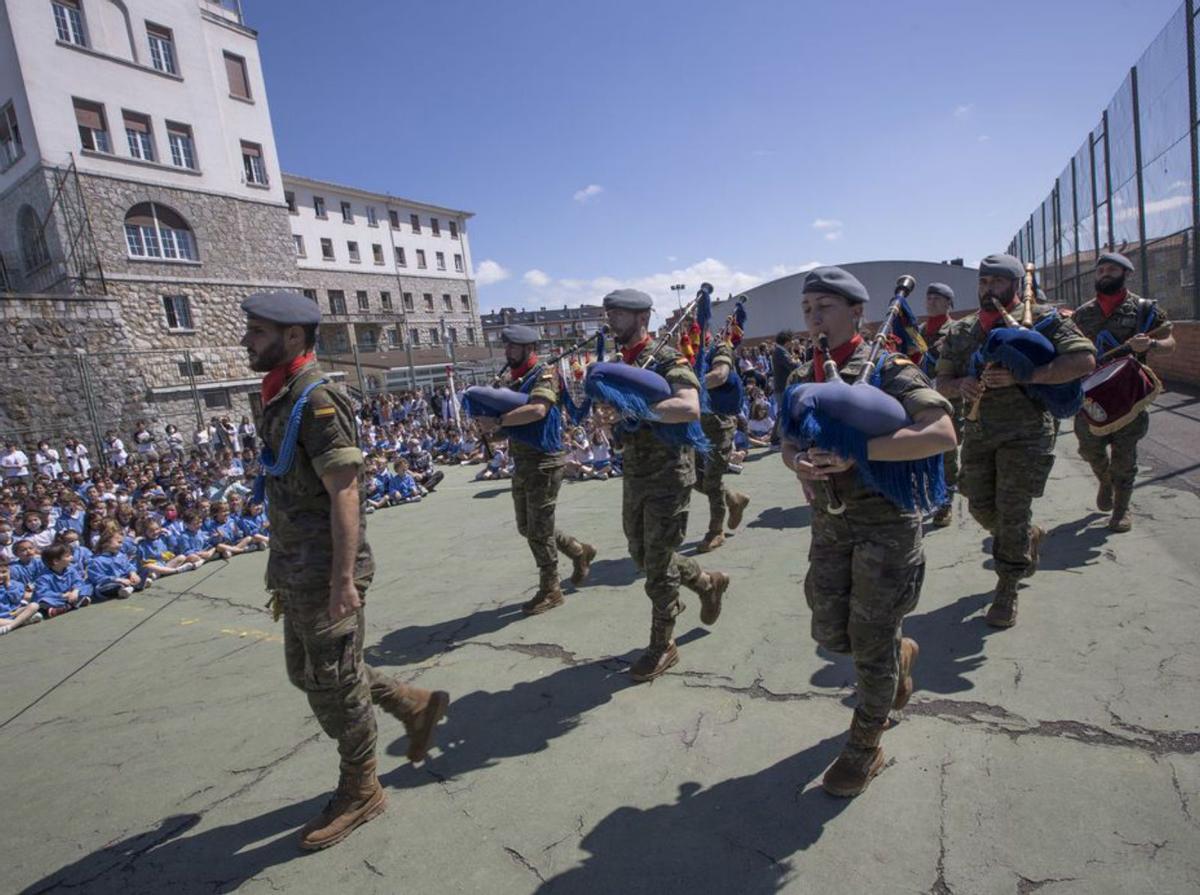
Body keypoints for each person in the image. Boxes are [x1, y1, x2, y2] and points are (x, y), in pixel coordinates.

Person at [241, 290, 449, 851]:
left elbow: (346, 493)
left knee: (336, 682)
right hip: (295, 565)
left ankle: (362, 788)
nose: (246, 341)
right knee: (312, 675)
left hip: (327, 569)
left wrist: (341, 582)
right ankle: (413, 703)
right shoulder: (281, 396)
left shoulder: (318, 400)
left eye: (256, 333)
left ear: (290, 337)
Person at [781, 266, 956, 797]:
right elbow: (787, 441)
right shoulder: (798, 378)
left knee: (870, 640)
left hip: (886, 526)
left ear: (857, 313)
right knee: (831, 632)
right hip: (831, 524)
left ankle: (865, 747)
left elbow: (942, 433)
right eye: (808, 308)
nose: (814, 317)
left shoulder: (887, 367)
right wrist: (799, 465)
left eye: (825, 307)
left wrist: (860, 451)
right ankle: (900, 658)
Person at [936, 254, 1095, 628]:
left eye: (996, 282)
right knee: (978, 506)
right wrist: (962, 385)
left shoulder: (1044, 320)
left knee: (1012, 510)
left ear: (1013, 284)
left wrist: (1029, 375)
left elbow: (1085, 360)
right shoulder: (962, 332)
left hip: (1027, 435)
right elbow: (941, 382)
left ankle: (1006, 590)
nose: (988, 289)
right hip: (979, 432)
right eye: (983, 282)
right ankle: (1026, 537)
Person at [596, 289, 730, 681]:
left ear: (641, 319)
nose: (610, 322)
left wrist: (634, 409)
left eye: (617, 315)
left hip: (669, 475)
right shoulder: (626, 363)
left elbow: (688, 406)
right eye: (608, 314)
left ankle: (662, 644)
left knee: (657, 566)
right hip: (636, 473)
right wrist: (612, 420)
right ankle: (706, 582)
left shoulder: (667, 359)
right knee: (642, 556)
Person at [484, 325, 597, 614]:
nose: (507, 352)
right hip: (523, 461)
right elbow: (509, 423)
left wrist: (501, 422)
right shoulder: (516, 380)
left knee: (539, 529)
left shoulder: (545, 375)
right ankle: (578, 550)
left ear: (528, 348)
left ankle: (551, 589)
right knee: (528, 526)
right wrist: (489, 427)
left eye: (512, 347)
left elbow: (537, 410)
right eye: (506, 347)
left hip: (545, 462)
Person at [1071, 252, 1175, 532]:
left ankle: (1121, 509)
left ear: (1125, 274)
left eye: (1111, 270)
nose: (1105, 273)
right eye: (1101, 269)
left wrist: (1151, 344)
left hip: (1130, 394)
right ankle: (1105, 479)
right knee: (1088, 447)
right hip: (1092, 393)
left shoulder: (1144, 309)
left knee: (1125, 454)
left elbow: (1170, 341)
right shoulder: (1083, 313)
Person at [694, 331, 751, 553]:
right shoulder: (689, 355)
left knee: (712, 477)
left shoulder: (719, 349)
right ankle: (734, 499)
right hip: (697, 424)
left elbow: (719, 375)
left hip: (719, 423)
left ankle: (715, 531)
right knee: (694, 478)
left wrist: (687, 387)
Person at [914, 283, 962, 528]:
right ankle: (928, 497)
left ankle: (945, 503)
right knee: (923, 451)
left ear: (948, 303)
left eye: (937, 298)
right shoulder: (919, 332)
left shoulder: (956, 330)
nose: (930, 301)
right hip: (922, 401)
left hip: (948, 402)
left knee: (947, 454)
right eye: (928, 297)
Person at [33, 542, 93, 618]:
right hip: (57, 598)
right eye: (67, 556)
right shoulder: (43, 577)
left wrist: (75, 591)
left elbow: (78, 581)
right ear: (56, 561)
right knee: (43, 602)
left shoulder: (71, 569)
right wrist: (62, 595)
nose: (71, 557)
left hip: (71, 595)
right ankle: (66, 606)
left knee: (87, 587)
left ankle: (64, 607)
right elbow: (43, 592)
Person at [89, 529, 145, 599]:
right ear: (106, 543)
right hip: (108, 583)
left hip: (125, 579)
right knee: (112, 586)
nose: (121, 545)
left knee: (144, 570)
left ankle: (131, 586)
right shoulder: (96, 560)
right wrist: (117, 579)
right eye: (119, 542)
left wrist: (132, 573)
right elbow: (97, 578)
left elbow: (128, 566)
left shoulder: (120, 555)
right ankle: (130, 587)